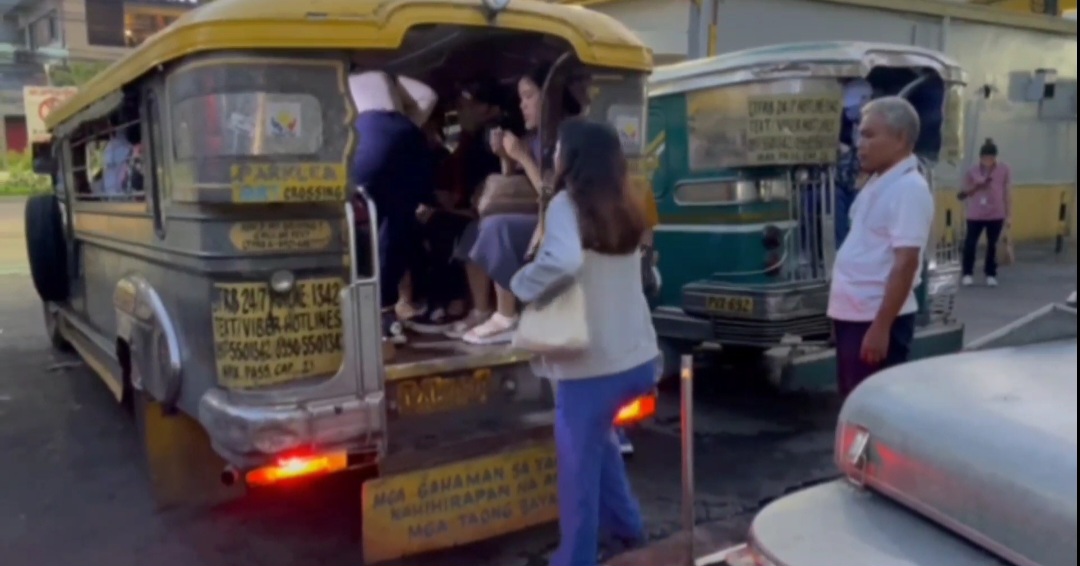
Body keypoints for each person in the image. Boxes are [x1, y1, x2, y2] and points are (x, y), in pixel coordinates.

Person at [510, 119, 658, 566]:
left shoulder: (566, 204)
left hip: (590, 366)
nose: (552, 157)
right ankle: (629, 527)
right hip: (637, 360)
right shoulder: (629, 202)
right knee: (602, 441)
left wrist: (521, 283)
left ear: (569, 159)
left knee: (578, 469)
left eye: (556, 150)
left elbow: (565, 260)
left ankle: (574, 559)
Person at [450, 64, 582, 344]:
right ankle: (482, 309)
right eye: (521, 98)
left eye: (529, 96)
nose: (523, 105)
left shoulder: (566, 137)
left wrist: (523, 157)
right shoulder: (535, 136)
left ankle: (506, 315)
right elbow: (515, 186)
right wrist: (506, 158)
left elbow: (551, 194)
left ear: (549, 98)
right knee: (477, 228)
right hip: (541, 215)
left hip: (564, 222)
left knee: (498, 227)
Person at [828, 96, 933, 399]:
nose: (859, 143)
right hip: (857, 316)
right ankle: (855, 450)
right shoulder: (879, 182)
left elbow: (906, 263)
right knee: (853, 403)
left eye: (869, 135)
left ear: (900, 139)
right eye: (860, 134)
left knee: (869, 409)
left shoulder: (909, 189)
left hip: (875, 320)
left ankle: (863, 450)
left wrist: (880, 328)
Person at [408, 81, 506, 334]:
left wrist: (445, 209)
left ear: (488, 109)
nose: (459, 110)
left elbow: (484, 199)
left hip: (487, 210)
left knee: (444, 228)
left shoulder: (491, 143)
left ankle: (452, 304)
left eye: (466, 104)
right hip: (463, 206)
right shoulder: (460, 141)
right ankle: (428, 302)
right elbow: (451, 179)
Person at [349, 71, 438, 344]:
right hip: (409, 140)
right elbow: (428, 96)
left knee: (356, 224)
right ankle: (385, 309)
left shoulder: (340, 77)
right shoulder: (384, 77)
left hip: (369, 136)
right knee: (397, 228)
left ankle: (358, 312)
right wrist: (405, 125)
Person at [959, 138, 1011, 288]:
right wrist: (978, 184)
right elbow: (965, 191)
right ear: (980, 158)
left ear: (995, 157)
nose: (987, 160)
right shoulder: (973, 170)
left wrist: (1009, 215)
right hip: (975, 213)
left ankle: (990, 274)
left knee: (992, 245)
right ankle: (967, 273)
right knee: (970, 243)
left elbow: (1007, 192)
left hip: (996, 213)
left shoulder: (1004, 169)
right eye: (984, 158)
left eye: (990, 158)